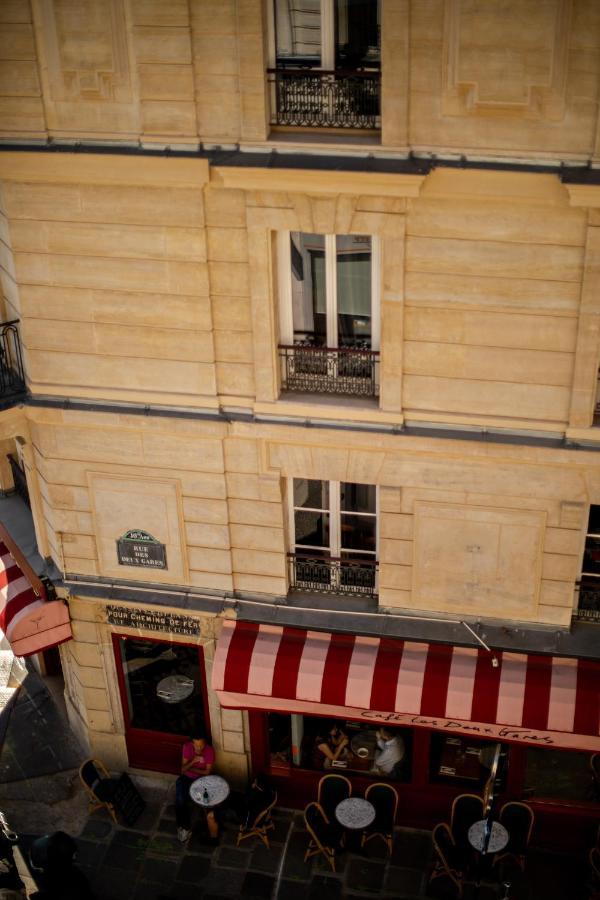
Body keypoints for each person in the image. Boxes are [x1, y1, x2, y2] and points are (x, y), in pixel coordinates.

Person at [175, 733, 216, 844]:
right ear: (192, 743)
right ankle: (183, 826)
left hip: (201, 780)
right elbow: (182, 770)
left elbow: (207, 772)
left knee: (202, 803)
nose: (199, 748)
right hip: (187, 778)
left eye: (201, 745)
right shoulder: (187, 747)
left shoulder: (209, 751)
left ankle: (192, 827)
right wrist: (193, 761)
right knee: (179, 799)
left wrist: (191, 768)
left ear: (205, 743)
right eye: (196, 745)